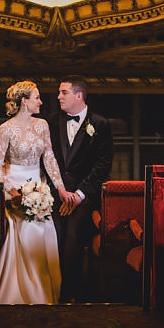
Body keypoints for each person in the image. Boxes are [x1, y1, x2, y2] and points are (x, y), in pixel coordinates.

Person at [0, 81, 74, 305]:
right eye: (37, 97)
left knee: (45, 235)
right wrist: (8, 187)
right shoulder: (6, 128)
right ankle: (22, 294)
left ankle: (44, 294)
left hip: (38, 187)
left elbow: (49, 158)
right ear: (24, 101)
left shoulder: (42, 125)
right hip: (14, 186)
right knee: (25, 233)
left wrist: (60, 188)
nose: (41, 102)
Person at [48, 75, 114, 303]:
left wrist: (79, 195)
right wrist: (59, 191)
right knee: (52, 236)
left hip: (84, 198)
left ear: (78, 95)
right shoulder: (52, 122)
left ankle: (70, 295)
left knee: (74, 237)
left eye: (63, 92)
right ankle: (50, 291)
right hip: (55, 195)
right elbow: (47, 161)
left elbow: (103, 165)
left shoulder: (100, 124)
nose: (58, 97)